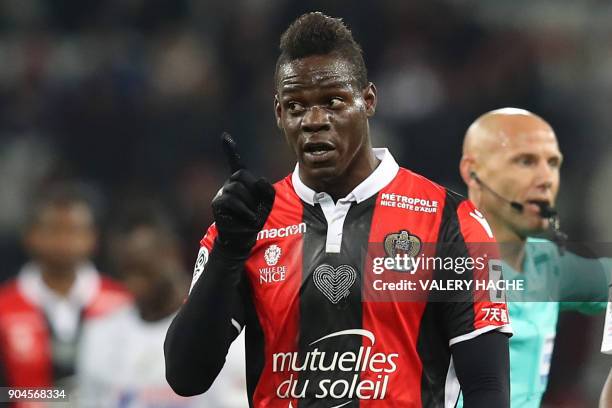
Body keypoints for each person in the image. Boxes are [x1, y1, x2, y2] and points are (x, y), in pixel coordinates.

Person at [165, 12, 512, 407]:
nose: (314, 121)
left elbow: (487, 386)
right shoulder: (246, 225)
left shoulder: (453, 222)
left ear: (368, 101)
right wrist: (228, 253)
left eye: (333, 101)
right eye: (296, 106)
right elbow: (185, 376)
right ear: (279, 114)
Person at [458, 107, 611, 407]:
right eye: (525, 161)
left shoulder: (549, 265)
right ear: (472, 172)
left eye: (553, 163)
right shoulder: (436, 263)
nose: (545, 179)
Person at [76, 208, 247, 407]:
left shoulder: (223, 334)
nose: (134, 284)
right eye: (126, 272)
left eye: (143, 270)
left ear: (172, 253)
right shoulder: (99, 335)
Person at [0, 184, 131, 396]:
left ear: (93, 237)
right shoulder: (4, 307)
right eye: (54, 230)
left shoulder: (121, 303)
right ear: (30, 235)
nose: (64, 242)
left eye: (74, 231)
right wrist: (57, 398)